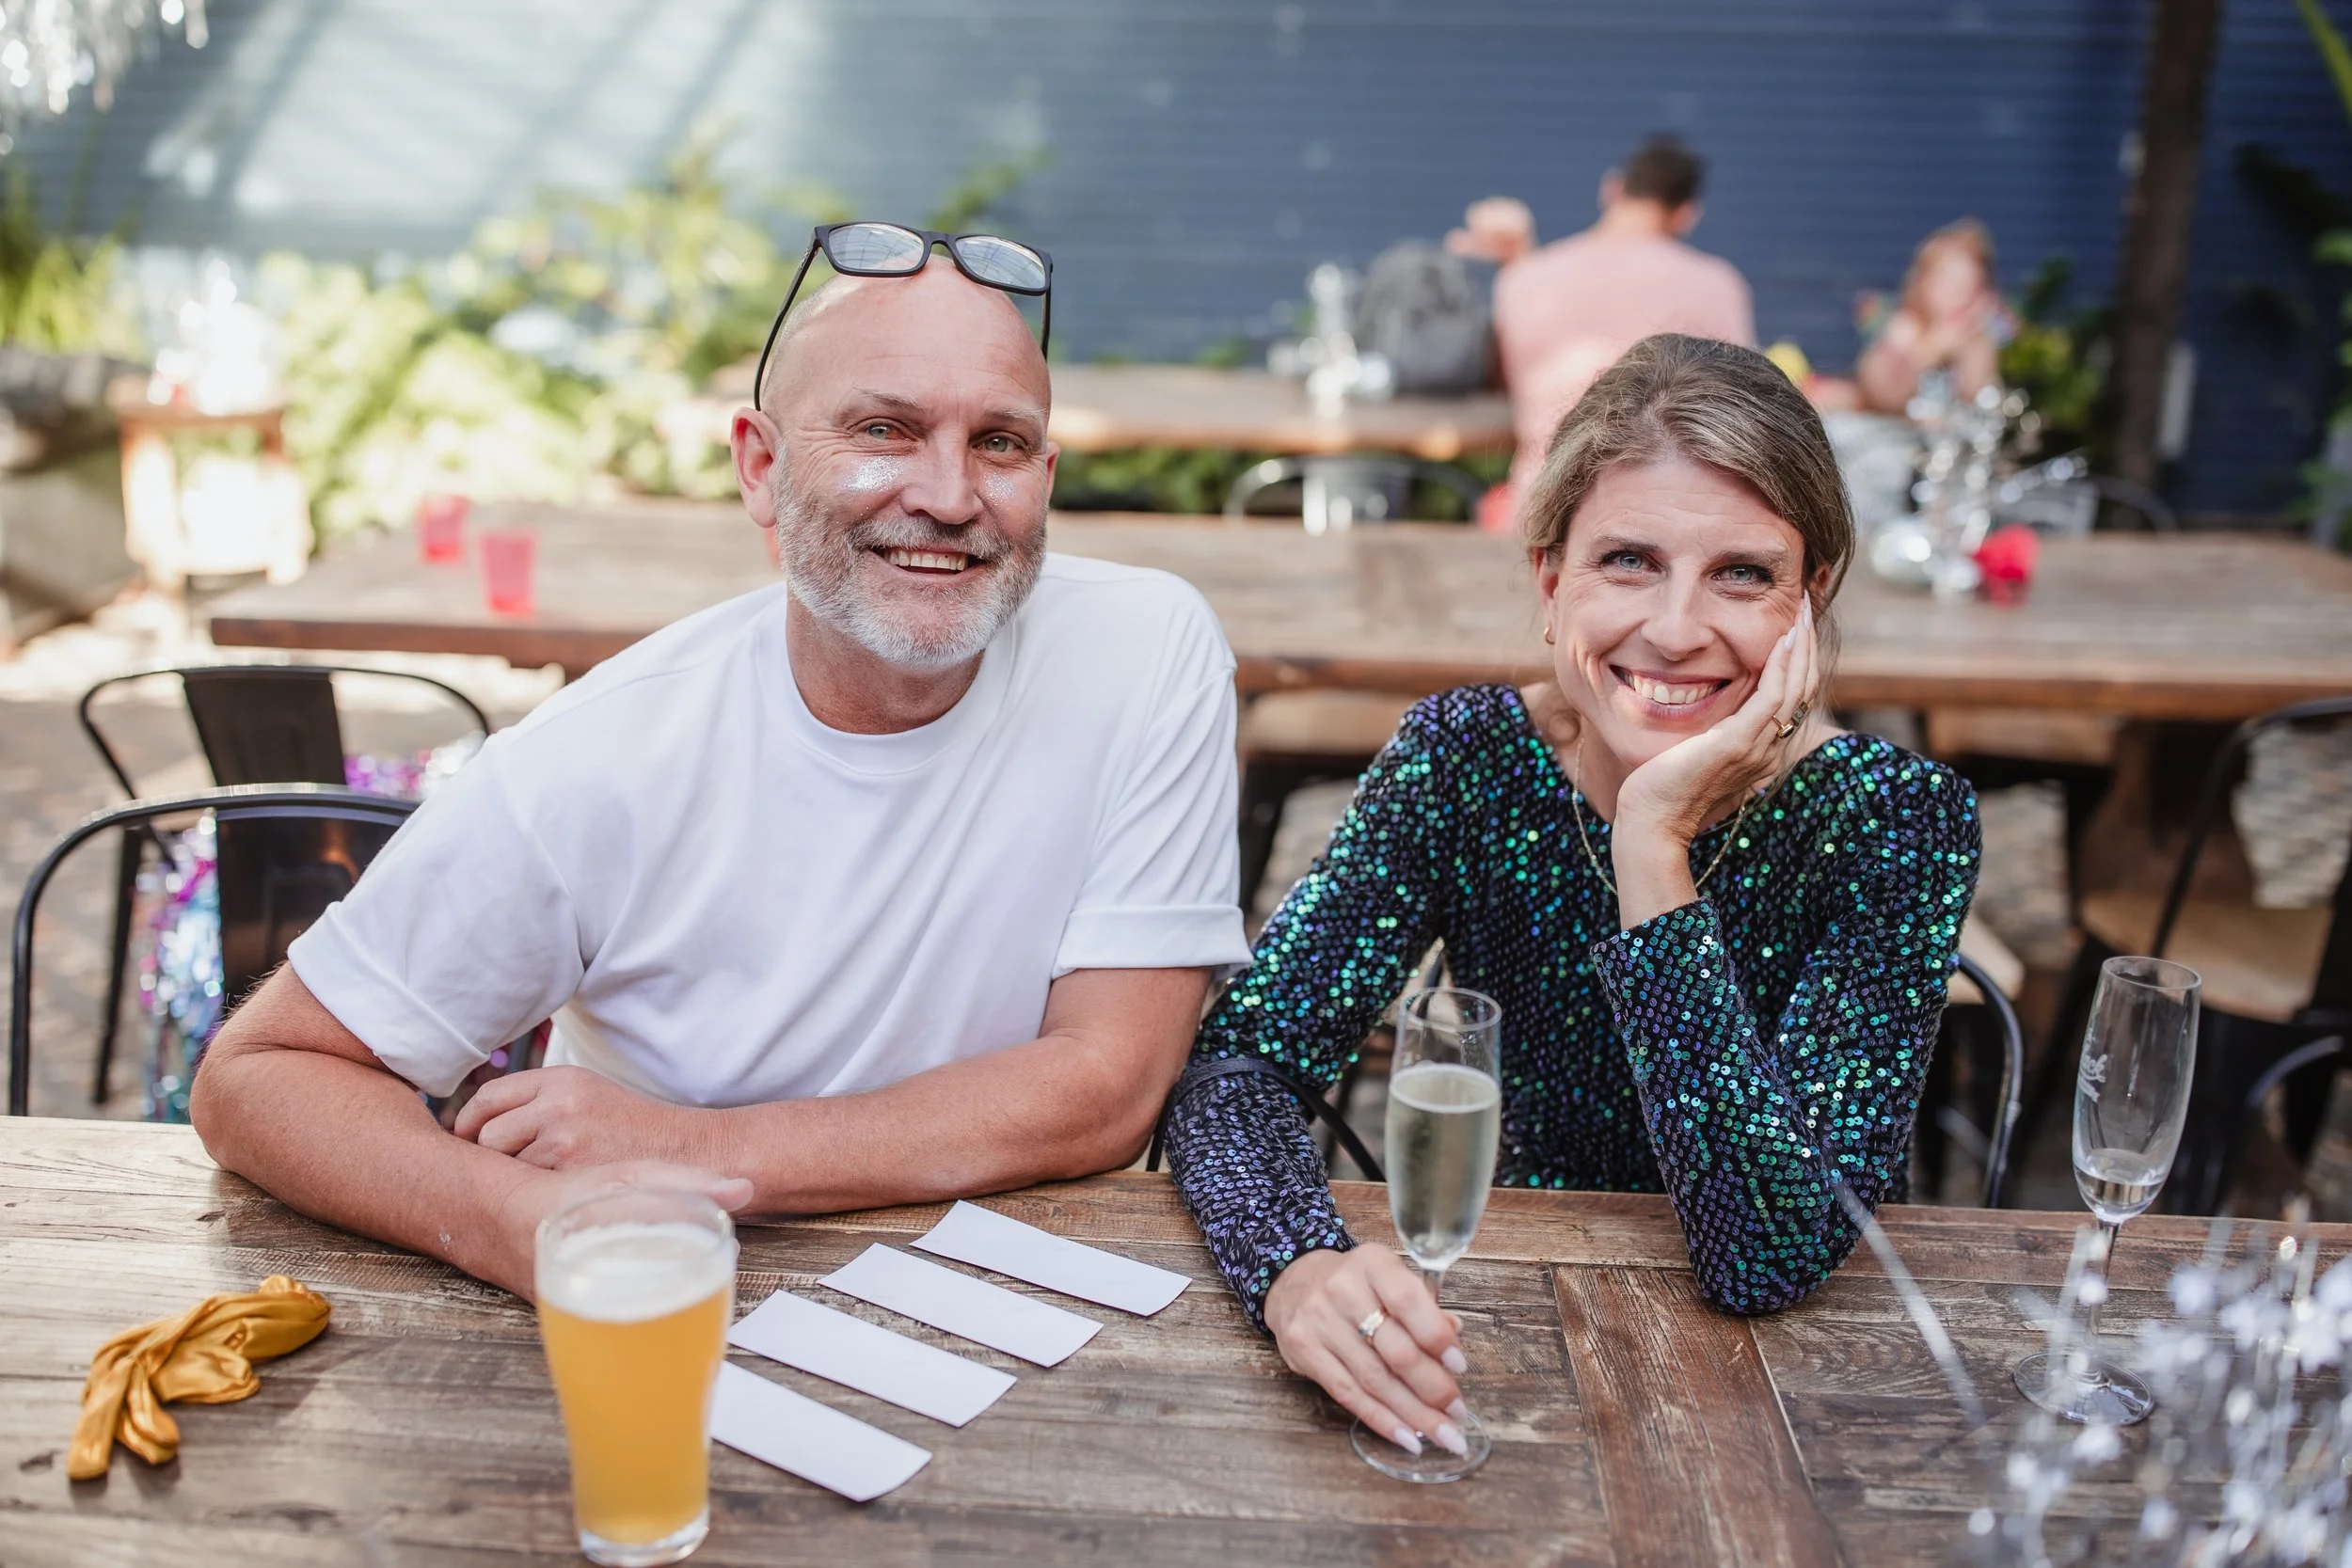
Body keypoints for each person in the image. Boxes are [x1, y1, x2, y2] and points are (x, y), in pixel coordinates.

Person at [191, 246, 1252, 1298]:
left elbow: (1107, 1086)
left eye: (1000, 443)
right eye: (884, 429)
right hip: (671, 1298)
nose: (948, 493)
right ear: (760, 465)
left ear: (1046, 478)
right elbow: (259, 1078)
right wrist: (512, 1217)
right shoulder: (599, 754)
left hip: (1025, 1310)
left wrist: (698, 1148)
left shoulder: (1147, 647)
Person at [1163, 334, 1979, 1461]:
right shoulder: (1467, 758)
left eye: (1742, 572)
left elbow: (1764, 1253)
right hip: (1480, 1338)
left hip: (1778, 1414)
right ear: (1551, 578)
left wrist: (1654, 841)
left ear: (1812, 596)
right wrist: (1294, 1261)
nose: (1678, 627)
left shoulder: (1894, 818)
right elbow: (1237, 1065)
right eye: (1628, 561)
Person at [1454, 138, 1756, 518]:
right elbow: (1747, 406)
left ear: (1612, 188)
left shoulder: (1524, 278)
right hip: (1676, 510)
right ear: (1686, 214)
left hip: (1544, 505)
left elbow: (1498, 377)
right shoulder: (1718, 284)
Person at [1854, 218, 2011, 415]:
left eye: (1970, 287)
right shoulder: (1902, 328)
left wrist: (1973, 339)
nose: (1960, 296)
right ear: (1923, 283)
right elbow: (1883, 396)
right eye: (1949, 284)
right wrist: (1932, 350)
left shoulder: (1981, 337)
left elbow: (1976, 394)